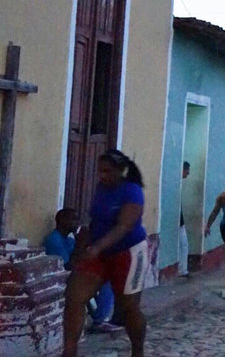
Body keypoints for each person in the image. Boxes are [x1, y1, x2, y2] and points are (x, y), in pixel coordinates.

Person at [62, 149, 148, 357]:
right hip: (98, 254)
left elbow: (124, 225)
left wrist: (98, 247)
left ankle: (137, 350)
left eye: (107, 171)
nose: (102, 175)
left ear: (120, 170)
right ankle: (69, 350)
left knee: (128, 308)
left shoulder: (132, 191)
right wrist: (84, 245)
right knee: (74, 296)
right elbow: (97, 219)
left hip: (129, 252)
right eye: (100, 171)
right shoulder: (102, 189)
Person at [45, 209, 120, 334]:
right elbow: (67, 265)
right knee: (106, 282)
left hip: (75, 273)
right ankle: (99, 320)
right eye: (74, 220)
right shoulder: (55, 240)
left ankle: (100, 316)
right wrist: (81, 245)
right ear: (62, 221)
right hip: (63, 277)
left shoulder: (69, 240)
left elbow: (81, 257)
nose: (77, 223)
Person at [177, 161, 190, 278]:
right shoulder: (177, 183)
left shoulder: (178, 183)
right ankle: (182, 270)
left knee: (183, 244)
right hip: (178, 219)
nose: (188, 174)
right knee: (183, 244)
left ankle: (183, 269)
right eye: (187, 171)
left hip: (179, 218)